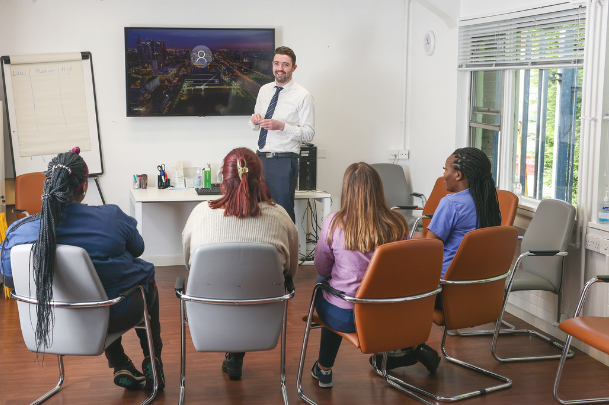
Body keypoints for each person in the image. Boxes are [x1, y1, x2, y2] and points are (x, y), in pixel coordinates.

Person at [0, 148, 165, 391]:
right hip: (111, 316)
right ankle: (153, 362)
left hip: (49, 322)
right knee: (142, 284)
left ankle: (120, 363)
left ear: (49, 185)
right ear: (83, 187)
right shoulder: (111, 218)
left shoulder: (17, 232)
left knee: (93, 292)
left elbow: (10, 282)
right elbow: (138, 248)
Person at [309, 163, 440, 389]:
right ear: (379, 189)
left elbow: (322, 268)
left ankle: (324, 369)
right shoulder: (398, 223)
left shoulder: (334, 222)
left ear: (347, 190)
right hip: (388, 314)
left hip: (348, 317)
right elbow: (403, 270)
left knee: (323, 283)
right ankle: (402, 348)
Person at [182, 147, 299, 380]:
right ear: (260, 179)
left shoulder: (200, 214)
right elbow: (290, 270)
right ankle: (236, 356)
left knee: (231, 285)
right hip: (263, 317)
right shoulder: (280, 217)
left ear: (221, 180)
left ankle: (233, 355)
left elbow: (190, 264)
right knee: (246, 286)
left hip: (209, 316)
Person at [249, 46, 315, 223]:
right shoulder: (264, 90)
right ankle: (263, 251)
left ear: (293, 68)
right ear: (272, 65)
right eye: (276, 63)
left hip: (284, 162)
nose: (280, 68)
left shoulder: (303, 95)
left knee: (282, 215)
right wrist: (254, 121)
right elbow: (254, 124)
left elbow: (309, 134)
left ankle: (287, 251)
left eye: (285, 64)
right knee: (257, 212)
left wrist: (282, 126)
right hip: (260, 159)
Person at [427, 147, 502, 279]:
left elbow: (429, 247)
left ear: (458, 175)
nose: (443, 175)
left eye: (445, 169)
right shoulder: (490, 205)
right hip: (480, 280)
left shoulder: (450, 203)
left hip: (446, 282)